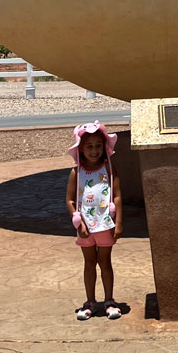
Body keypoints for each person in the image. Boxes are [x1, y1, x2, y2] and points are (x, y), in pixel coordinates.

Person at [66, 121, 123, 320]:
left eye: (98, 145)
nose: (94, 150)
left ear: (104, 146)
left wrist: (120, 222)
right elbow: (70, 199)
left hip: (105, 224)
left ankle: (109, 300)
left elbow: (116, 195)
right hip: (85, 227)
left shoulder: (108, 169)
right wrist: (78, 221)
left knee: (105, 261)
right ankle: (90, 301)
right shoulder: (76, 172)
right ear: (81, 148)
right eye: (89, 146)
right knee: (89, 262)